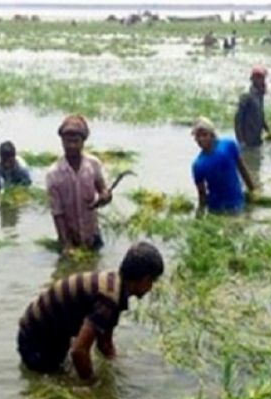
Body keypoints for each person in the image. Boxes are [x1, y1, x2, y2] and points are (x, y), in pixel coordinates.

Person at [17, 242, 164, 382]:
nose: (151, 287)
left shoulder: (114, 285)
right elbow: (78, 351)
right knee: (55, 381)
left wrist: (116, 368)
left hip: (49, 329)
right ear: (145, 279)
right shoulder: (109, 300)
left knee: (65, 372)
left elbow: (104, 344)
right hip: (35, 338)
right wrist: (92, 387)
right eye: (152, 281)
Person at [46, 115, 111, 252]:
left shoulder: (93, 164)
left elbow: (103, 190)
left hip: (92, 235)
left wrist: (105, 197)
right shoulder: (54, 174)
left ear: (83, 142)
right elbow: (57, 213)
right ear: (62, 142)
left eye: (76, 141)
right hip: (70, 239)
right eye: (67, 141)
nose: (71, 146)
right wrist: (66, 245)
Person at [192, 117, 256, 214]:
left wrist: (253, 190)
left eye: (204, 135)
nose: (201, 139)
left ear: (212, 135)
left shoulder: (228, 145)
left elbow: (242, 169)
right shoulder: (198, 165)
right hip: (216, 209)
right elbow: (202, 195)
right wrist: (200, 214)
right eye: (198, 136)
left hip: (237, 203)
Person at [235, 65, 271, 148]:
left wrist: (268, 130)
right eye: (260, 78)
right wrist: (240, 140)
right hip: (247, 140)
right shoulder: (246, 97)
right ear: (253, 79)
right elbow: (238, 120)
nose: (263, 81)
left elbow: (261, 116)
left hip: (257, 138)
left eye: (263, 78)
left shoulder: (259, 96)